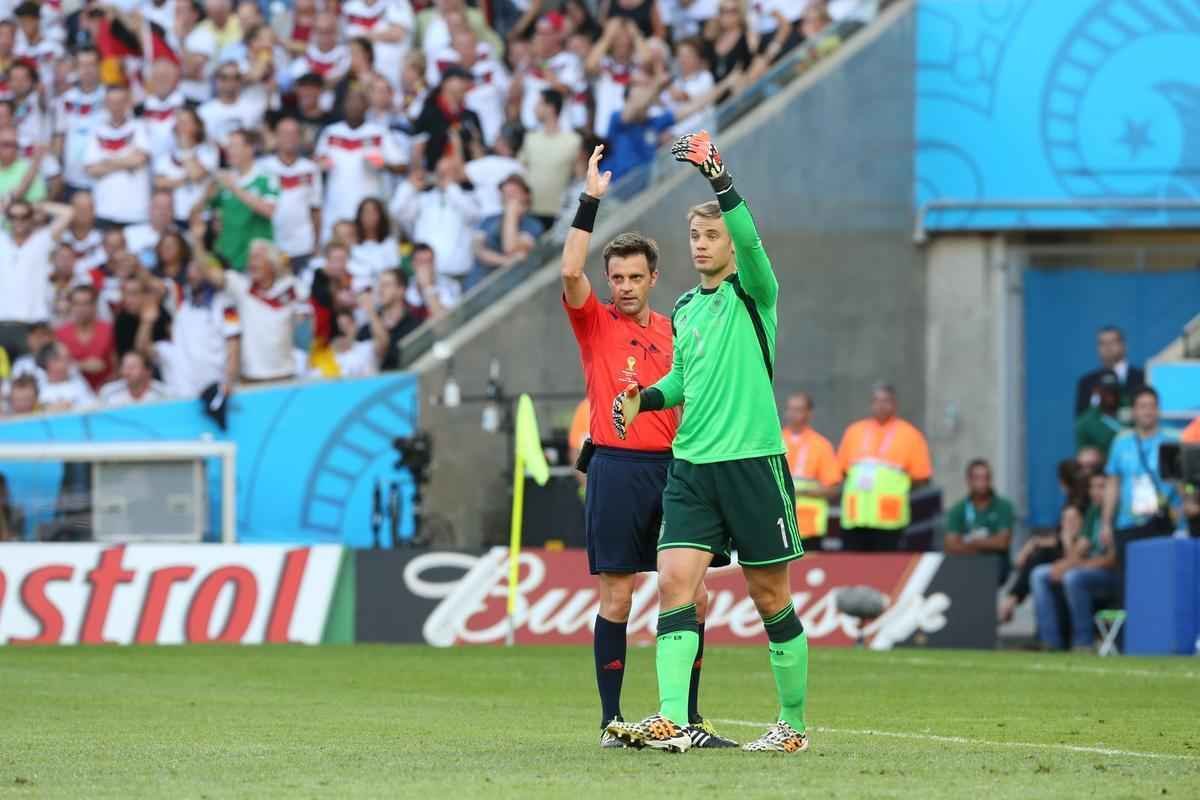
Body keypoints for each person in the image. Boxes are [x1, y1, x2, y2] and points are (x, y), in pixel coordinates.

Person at [608, 132, 809, 753]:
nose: (701, 245)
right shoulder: (688, 308)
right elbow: (682, 383)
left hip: (751, 462)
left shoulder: (756, 294)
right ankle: (673, 717)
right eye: (694, 237)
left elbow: (750, 239)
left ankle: (793, 726)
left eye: (711, 236)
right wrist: (647, 400)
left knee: (769, 594)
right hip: (692, 465)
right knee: (673, 582)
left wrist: (717, 175)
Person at [561, 144, 730, 750]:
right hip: (614, 467)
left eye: (636, 277)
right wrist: (591, 202)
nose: (626, 287)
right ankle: (612, 721)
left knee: (694, 595)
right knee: (619, 593)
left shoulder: (679, 325)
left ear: (654, 278)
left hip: (677, 470)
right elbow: (568, 272)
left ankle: (686, 720)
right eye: (618, 278)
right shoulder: (596, 323)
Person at [1100, 385, 1181, 603]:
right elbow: (1113, 482)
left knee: (1161, 582)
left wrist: (1179, 516)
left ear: (1158, 410)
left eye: (1152, 406)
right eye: (1142, 406)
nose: (1147, 411)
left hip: (1161, 523)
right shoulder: (1121, 442)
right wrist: (1106, 522)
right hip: (1128, 523)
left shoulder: (1171, 440)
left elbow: (1183, 483)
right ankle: (1129, 635)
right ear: (1134, 411)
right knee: (1127, 583)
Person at [836, 382, 933, 552]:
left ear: (894, 404)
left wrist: (895, 486)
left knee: (884, 572)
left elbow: (921, 477)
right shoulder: (854, 431)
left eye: (886, 401)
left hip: (889, 519)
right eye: (876, 401)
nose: (880, 405)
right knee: (851, 572)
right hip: (855, 517)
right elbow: (842, 471)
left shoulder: (910, 435)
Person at [1031, 469, 1116, 651]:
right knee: (1040, 574)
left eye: (1102, 487)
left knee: (1073, 578)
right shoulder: (1093, 512)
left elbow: (1112, 560)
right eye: (1093, 487)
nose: (1096, 492)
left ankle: (1083, 642)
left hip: (1110, 576)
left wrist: (1076, 566)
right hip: (1086, 569)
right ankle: (1050, 641)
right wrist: (1066, 553)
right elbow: (1080, 549)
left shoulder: (1118, 513)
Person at [999, 458, 1077, 624]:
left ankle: (1012, 601)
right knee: (1038, 562)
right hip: (1067, 557)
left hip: (1078, 560)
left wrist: (1035, 545)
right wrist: (1033, 543)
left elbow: (1068, 544)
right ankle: (1013, 600)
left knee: (1040, 565)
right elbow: (1058, 539)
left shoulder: (1077, 509)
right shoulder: (1069, 505)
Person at [0, 199, 72, 357]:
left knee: (36, 375)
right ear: (8, 218)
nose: (18, 221)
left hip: (34, 323)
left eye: (24, 216)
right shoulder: (2, 241)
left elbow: (68, 213)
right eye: (13, 216)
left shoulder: (42, 240)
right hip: (2, 322)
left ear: (31, 217)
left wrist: (39, 206)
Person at [202, 128, 279, 271]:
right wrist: (207, 192)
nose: (229, 151)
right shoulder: (223, 179)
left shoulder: (266, 177)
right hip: (226, 259)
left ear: (249, 149)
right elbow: (204, 212)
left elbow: (269, 210)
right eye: (228, 147)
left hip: (256, 263)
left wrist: (235, 188)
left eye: (234, 146)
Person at [261, 116, 322, 275]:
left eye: (293, 134)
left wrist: (316, 244)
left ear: (300, 138)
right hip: (271, 243)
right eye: (284, 134)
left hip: (302, 245)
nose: (289, 138)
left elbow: (315, 209)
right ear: (276, 137)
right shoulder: (263, 167)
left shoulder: (311, 169)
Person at [83, 84, 152, 226]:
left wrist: (106, 162)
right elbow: (91, 169)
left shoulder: (140, 127)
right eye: (112, 102)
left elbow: (139, 160)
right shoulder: (96, 131)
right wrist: (126, 161)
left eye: (120, 102)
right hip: (104, 210)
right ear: (106, 105)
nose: (116, 107)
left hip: (136, 212)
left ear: (128, 103)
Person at [943, 459, 1015, 583]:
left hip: (996, 563)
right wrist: (985, 545)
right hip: (966, 561)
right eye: (978, 478)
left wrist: (969, 541)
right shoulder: (958, 509)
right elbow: (951, 545)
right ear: (969, 481)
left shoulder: (1003, 506)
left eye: (986, 478)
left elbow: (1002, 542)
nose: (982, 482)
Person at [782, 391, 841, 542]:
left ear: (809, 413)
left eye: (798, 410)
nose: (792, 414)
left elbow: (832, 488)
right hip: (778, 524)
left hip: (809, 527)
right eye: (790, 409)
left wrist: (804, 491)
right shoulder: (775, 442)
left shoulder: (821, 445)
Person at [467, 173, 543, 290]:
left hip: (506, 287)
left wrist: (511, 213)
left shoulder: (533, 225)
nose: (509, 198)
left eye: (513, 194)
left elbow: (510, 248)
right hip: (477, 282)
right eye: (505, 194)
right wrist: (506, 262)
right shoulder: (489, 220)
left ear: (526, 195)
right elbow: (477, 250)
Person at [518, 89, 581, 229]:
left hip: (560, 215)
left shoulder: (573, 141)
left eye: (539, 104)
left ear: (551, 108)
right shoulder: (530, 139)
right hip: (530, 213)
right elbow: (520, 171)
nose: (534, 108)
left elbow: (580, 178)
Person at [1075, 325, 1144, 419]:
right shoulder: (1087, 382)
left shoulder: (1142, 377)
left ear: (1124, 345)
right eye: (1102, 343)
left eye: (1112, 342)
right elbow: (1081, 419)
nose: (1107, 347)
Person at [357, 268, 420, 371]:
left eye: (386, 285)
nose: (380, 290)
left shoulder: (414, 326)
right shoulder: (367, 329)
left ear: (401, 290)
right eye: (379, 285)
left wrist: (371, 312)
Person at [55, 284, 115, 392]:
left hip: (108, 389)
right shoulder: (61, 334)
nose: (81, 309)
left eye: (86, 304)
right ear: (71, 306)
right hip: (73, 392)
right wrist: (82, 366)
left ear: (94, 305)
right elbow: (58, 367)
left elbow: (118, 365)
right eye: (76, 304)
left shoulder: (109, 330)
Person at [1074, 370, 1124, 458]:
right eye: (1106, 390)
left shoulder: (1133, 411)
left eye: (1113, 390)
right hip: (1102, 468)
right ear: (1096, 391)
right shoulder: (1086, 422)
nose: (1110, 395)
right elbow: (1083, 456)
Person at [99, 349, 170, 406]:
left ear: (148, 371)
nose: (127, 372)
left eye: (132, 367)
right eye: (124, 367)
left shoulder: (165, 394)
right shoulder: (108, 392)